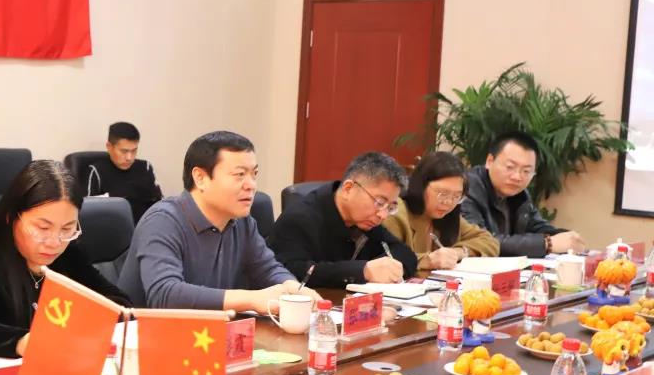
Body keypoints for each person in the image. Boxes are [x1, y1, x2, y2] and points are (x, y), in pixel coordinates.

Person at [0, 160, 131, 357]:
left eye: (67, 229)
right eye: (43, 228)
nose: (54, 242)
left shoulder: (67, 254)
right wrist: (21, 342)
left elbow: (119, 305)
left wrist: (79, 325)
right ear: (11, 217)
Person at [117, 131, 315, 310]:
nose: (251, 185)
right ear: (200, 178)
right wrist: (251, 299)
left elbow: (267, 269)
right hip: (145, 334)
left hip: (210, 332)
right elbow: (166, 294)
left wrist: (291, 287)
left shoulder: (242, 222)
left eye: (254, 174)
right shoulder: (163, 221)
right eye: (240, 175)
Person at [269, 152, 418, 288]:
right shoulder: (299, 217)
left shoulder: (366, 221)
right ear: (348, 188)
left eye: (390, 207)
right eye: (379, 202)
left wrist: (387, 268)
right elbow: (291, 272)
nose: (383, 215)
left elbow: (405, 253)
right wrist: (362, 271)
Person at [461, 131, 585, 256]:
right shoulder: (466, 188)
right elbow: (481, 242)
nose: (517, 177)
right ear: (489, 161)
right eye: (510, 167)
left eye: (526, 171)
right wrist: (547, 244)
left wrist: (566, 237)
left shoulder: (519, 194)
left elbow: (537, 226)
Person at [383, 151, 499, 276]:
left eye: (457, 196)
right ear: (421, 186)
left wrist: (458, 252)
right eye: (442, 194)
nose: (448, 202)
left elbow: (489, 241)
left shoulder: (447, 216)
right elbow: (386, 259)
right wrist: (427, 260)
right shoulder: (395, 213)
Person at [85, 121, 163, 223]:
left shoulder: (145, 168)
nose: (129, 158)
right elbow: (87, 212)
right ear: (109, 147)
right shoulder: (97, 171)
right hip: (112, 228)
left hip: (145, 227)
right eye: (124, 151)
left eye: (134, 151)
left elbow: (160, 205)